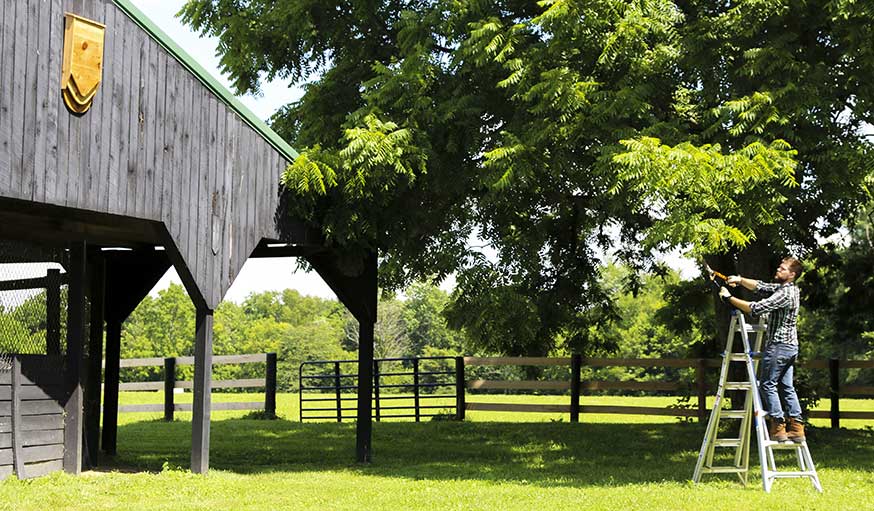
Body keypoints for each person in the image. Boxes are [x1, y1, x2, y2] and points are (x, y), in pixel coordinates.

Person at [718, 257, 805, 443]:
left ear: (792, 274)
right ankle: (797, 428)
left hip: (779, 347)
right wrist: (739, 280)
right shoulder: (788, 289)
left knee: (767, 384)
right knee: (787, 387)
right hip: (790, 348)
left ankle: (778, 426)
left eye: (782, 269)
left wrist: (729, 298)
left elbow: (755, 308)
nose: (778, 269)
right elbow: (761, 287)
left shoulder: (784, 294)